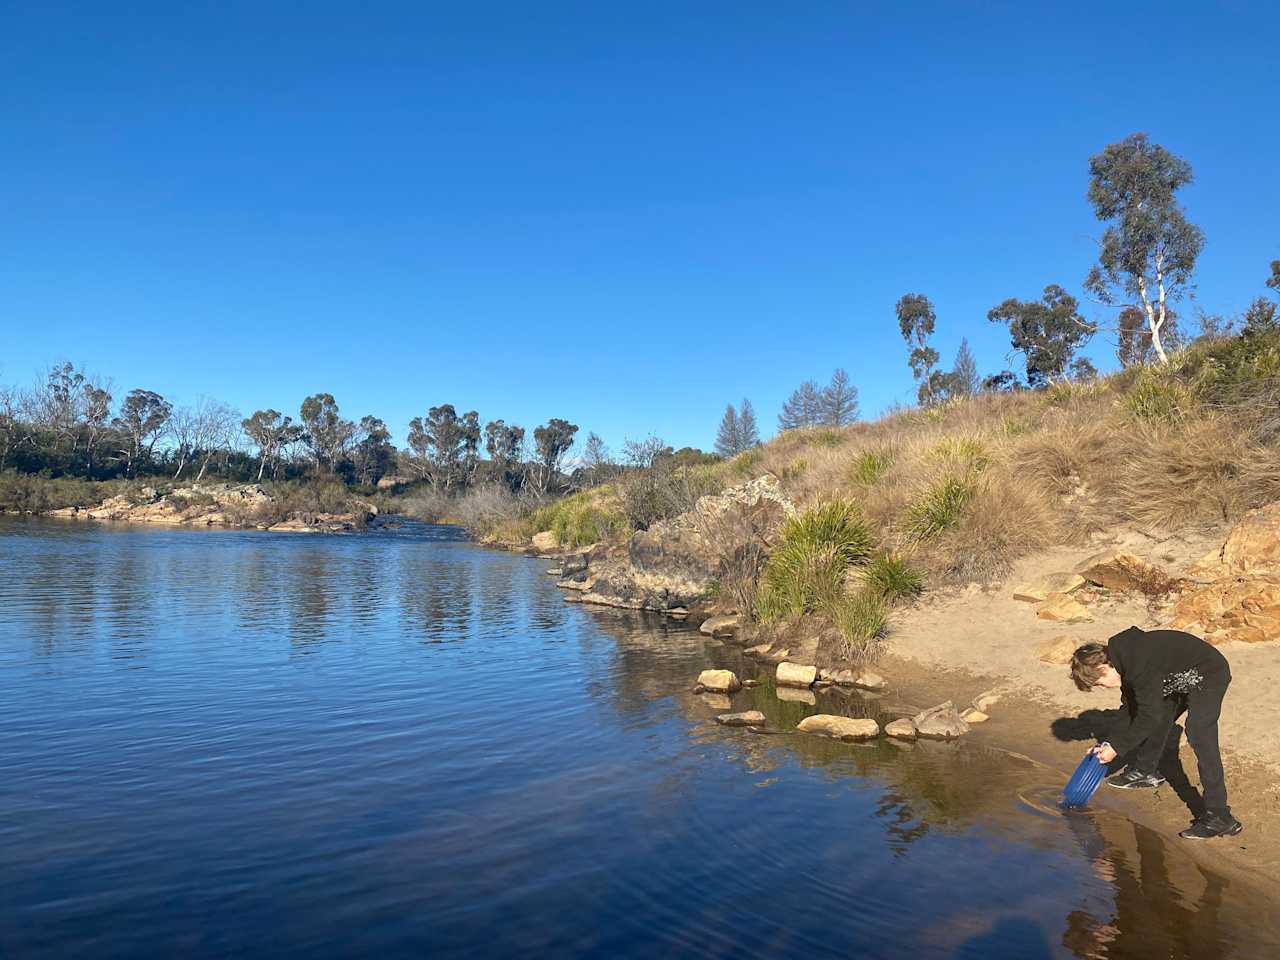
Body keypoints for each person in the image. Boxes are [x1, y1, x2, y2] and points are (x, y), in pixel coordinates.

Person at [1069, 626, 1242, 840]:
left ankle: (1220, 816)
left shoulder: (1138, 664)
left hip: (1207, 672)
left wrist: (1117, 748)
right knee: (1156, 713)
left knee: (1199, 732)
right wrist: (1110, 743)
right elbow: (1131, 708)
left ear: (1104, 666)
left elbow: (1148, 716)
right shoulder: (1125, 661)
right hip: (1177, 675)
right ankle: (1145, 772)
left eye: (1099, 683)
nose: (1102, 688)